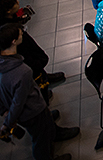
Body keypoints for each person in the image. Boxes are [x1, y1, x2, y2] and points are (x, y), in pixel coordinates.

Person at [0, 24, 79, 160]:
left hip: (29, 113)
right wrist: (8, 122)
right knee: (41, 141)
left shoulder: (5, 64)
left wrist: (4, 112)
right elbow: (18, 102)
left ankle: (52, 133)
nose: (23, 33)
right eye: (20, 33)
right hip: (34, 112)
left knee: (44, 131)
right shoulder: (23, 72)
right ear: (13, 41)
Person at [0, 0, 65, 87]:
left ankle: (44, 76)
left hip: (32, 57)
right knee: (35, 74)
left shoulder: (9, 19)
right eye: (14, 2)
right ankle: (42, 84)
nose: (18, 2)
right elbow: (26, 56)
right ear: (8, 10)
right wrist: (39, 63)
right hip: (31, 63)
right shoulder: (10, 32)